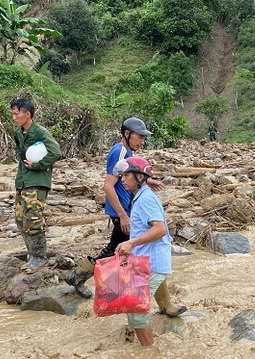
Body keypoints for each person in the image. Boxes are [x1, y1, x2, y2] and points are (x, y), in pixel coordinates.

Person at [65, 118, 186, 318]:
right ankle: (79, 277)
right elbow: (108, 185)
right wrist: (123, 215)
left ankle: (164, 305)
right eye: (140, 137)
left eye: (144, 139)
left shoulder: (126, 152)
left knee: (134, 254)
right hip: (124, 213)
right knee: (125, 255)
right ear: (127, 134)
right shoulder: (120, 152)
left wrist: (146, 180)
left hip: (127, 211)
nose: (142, 142)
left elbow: (127, 176)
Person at [114, 157, 175, 347]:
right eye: (121, 175)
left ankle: (149, 354)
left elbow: (160, 229)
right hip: (146, 261)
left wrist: (132, 243)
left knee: (135, 310)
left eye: (126, 175)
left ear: (140, 176)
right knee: (137, 306)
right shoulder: (140, 196)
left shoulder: (146, 199)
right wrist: (130, 249)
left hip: (152, 263)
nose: (122, 179)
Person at [11, 98, 61, 273]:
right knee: (20, 218)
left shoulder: (40, 132)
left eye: (16, 114)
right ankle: (32, 255)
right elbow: (21, 155)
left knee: (33, 218)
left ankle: (40, 258)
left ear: (27, 114)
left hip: (37, 182)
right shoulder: (18, 133)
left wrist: (39, 165)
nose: (14, 117)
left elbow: (55, 152)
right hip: (23, 181)